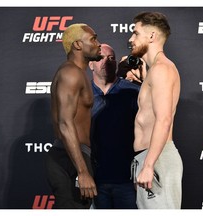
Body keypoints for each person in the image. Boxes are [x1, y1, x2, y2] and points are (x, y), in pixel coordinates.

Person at [128, 11, 183, 209]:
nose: (131, 39)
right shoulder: (155, 71)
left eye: (135, 33)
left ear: (151, 36)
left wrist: (149, 165)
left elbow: (164, 119)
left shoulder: (161, 69)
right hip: (148, 157)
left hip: (157, 159)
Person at [45, 23, 102, 209]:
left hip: (75, 156)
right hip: (70, 158)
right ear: (78, 45)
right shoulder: (71, 73)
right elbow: (64, 123)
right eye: (93, 39)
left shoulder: (77, 73)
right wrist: (82, 171)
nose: (98, 43)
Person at [89, 43, 140, 209]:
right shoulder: (83, 93)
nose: (107, 61)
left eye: (111, 58)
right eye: (100, 58)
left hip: (127, 179)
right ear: (90, 64)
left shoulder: (133, 91)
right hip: (95, 179)